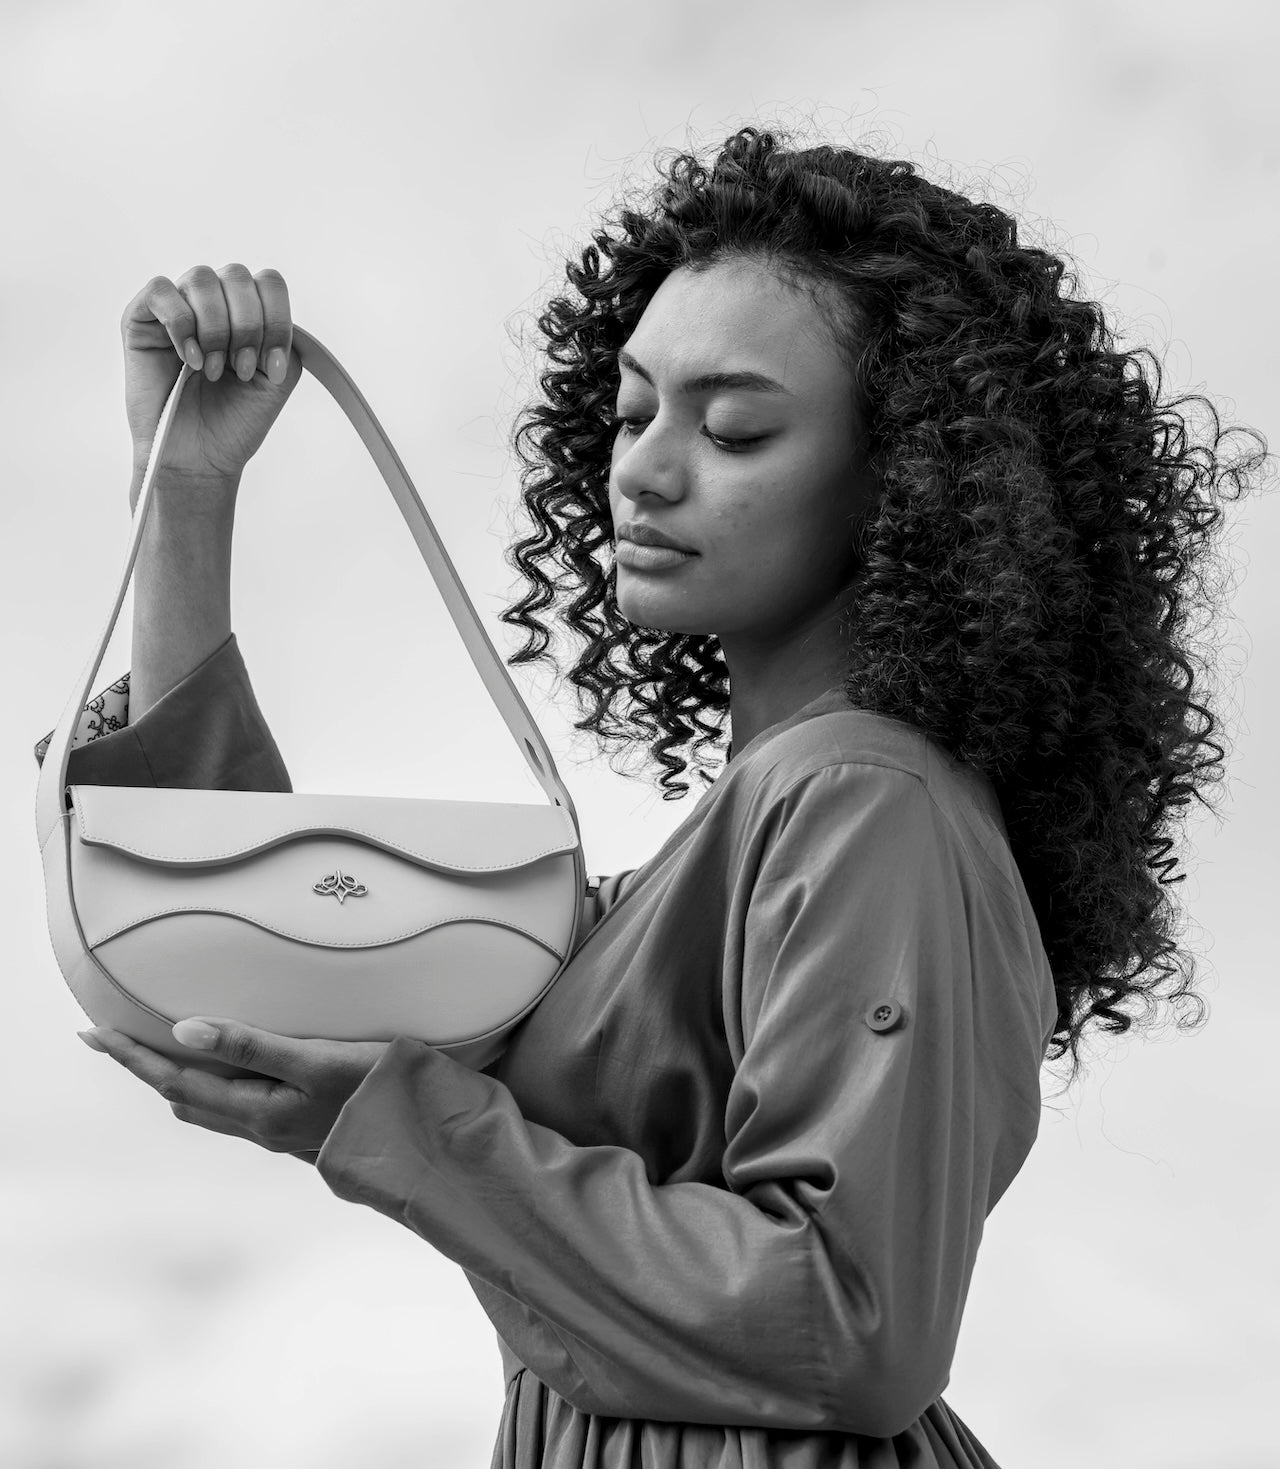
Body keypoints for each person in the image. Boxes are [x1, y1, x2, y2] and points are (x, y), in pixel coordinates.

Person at [36, 125, 1271, 1467]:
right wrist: (189, 485)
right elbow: (250, 933)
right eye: (631, 412)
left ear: (903, 482)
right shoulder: (744, 835)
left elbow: (855, 1324)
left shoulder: (863, 795)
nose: (645, 466)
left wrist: (403, 1127)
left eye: (733, 426)